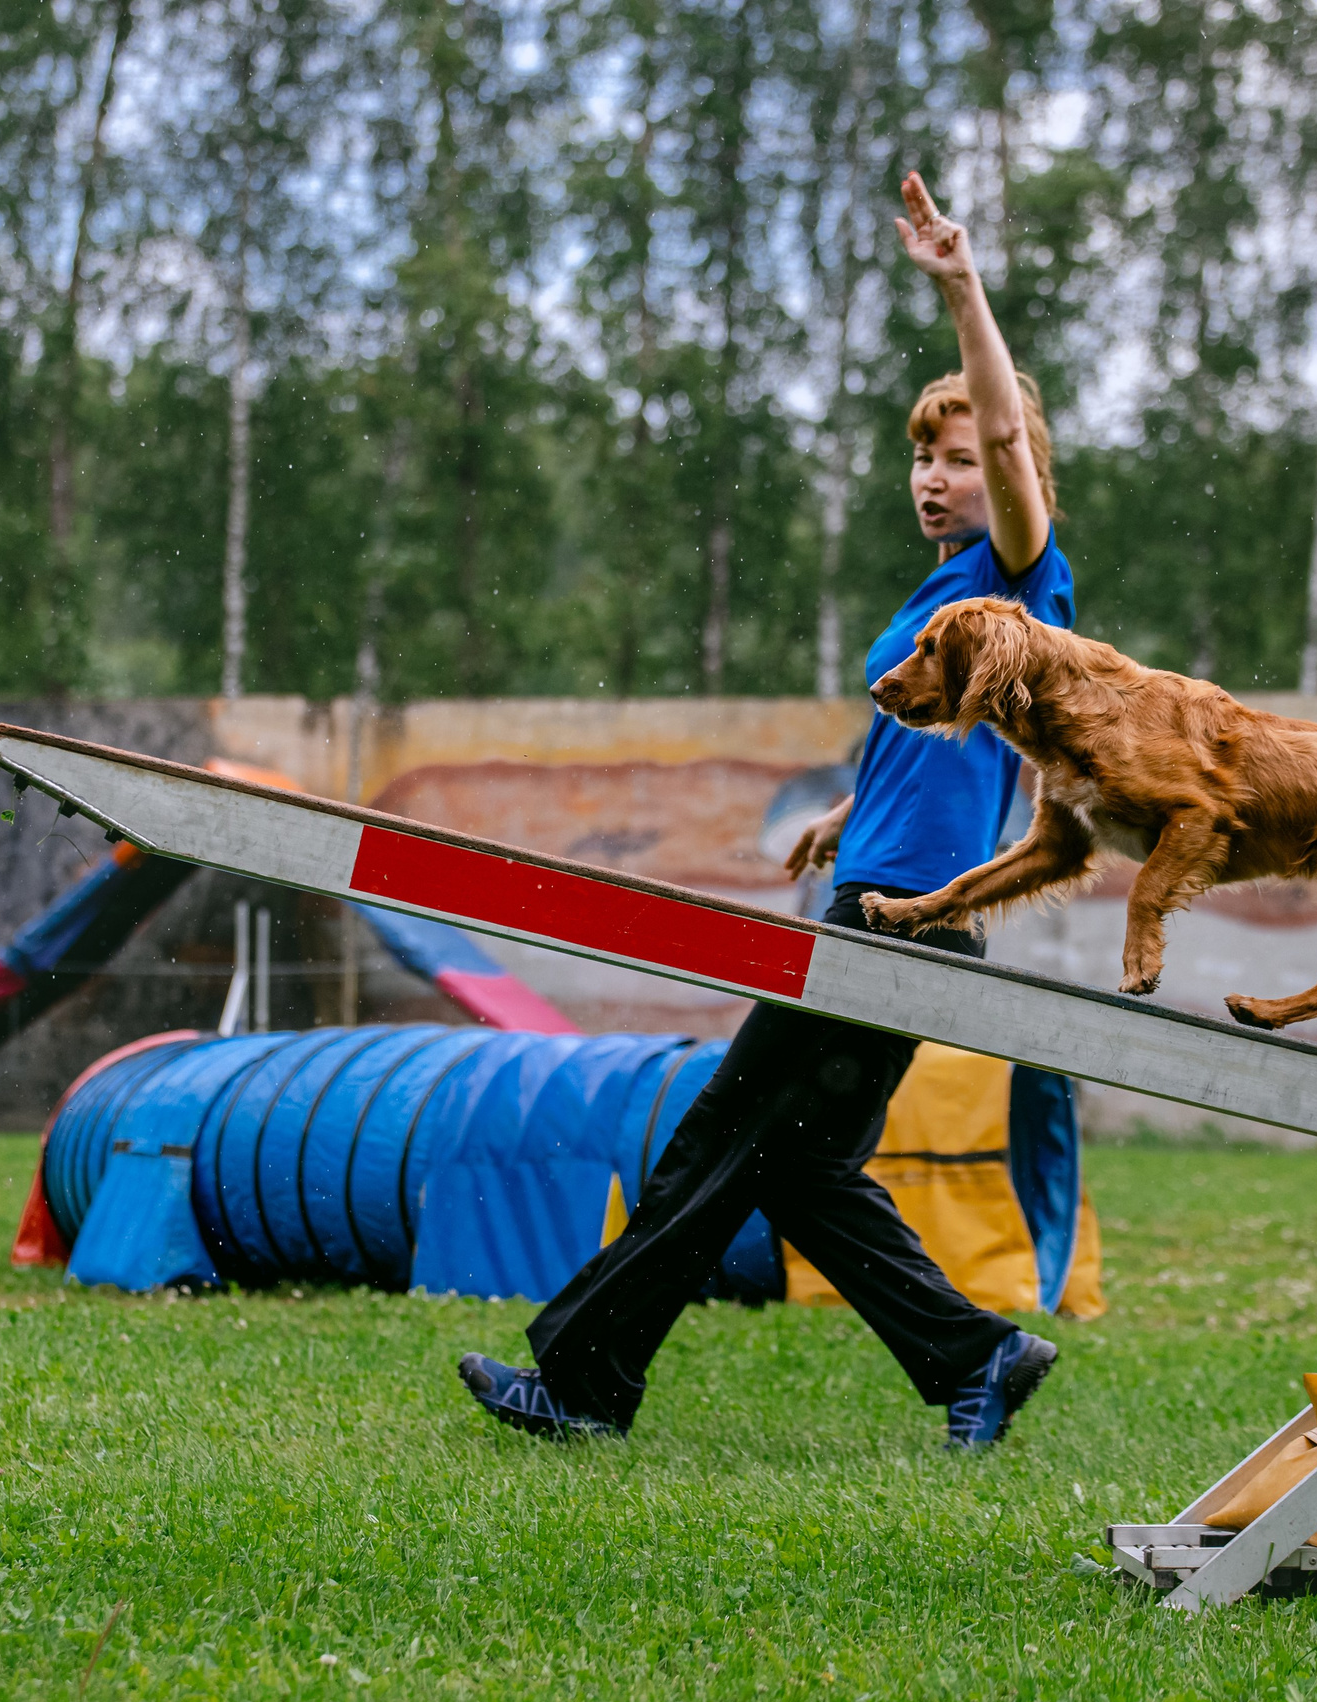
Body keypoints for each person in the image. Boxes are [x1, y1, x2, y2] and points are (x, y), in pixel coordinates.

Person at [457, 170, 1075, 1447]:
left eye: (958, 457)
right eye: (922, 455)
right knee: (797, 1170)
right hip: (888, 899)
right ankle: (978, 1357)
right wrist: (849, 809)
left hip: (901, 922)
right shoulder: (944, 601)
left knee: (714, 1141)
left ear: (1008, 472)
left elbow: (1013, 441)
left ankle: (582, 1384)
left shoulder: (1023, 571)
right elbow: (945, 755)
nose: (936, 474)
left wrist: (961, 286)